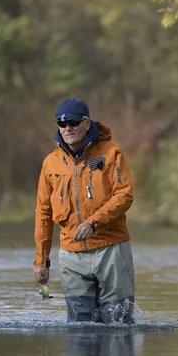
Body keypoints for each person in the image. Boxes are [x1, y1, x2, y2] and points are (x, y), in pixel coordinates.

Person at [33, 98, 135, 323]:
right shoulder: (50, 163)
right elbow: (43, 212)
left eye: (73, 122)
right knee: (79, 325)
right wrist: (42, 261)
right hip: (71, 254)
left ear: (87, 123)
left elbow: (125, 194)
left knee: (118, 322)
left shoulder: (112, 153)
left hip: (111, 249)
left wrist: (93, 222)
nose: (67, 128)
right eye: (62, 123)